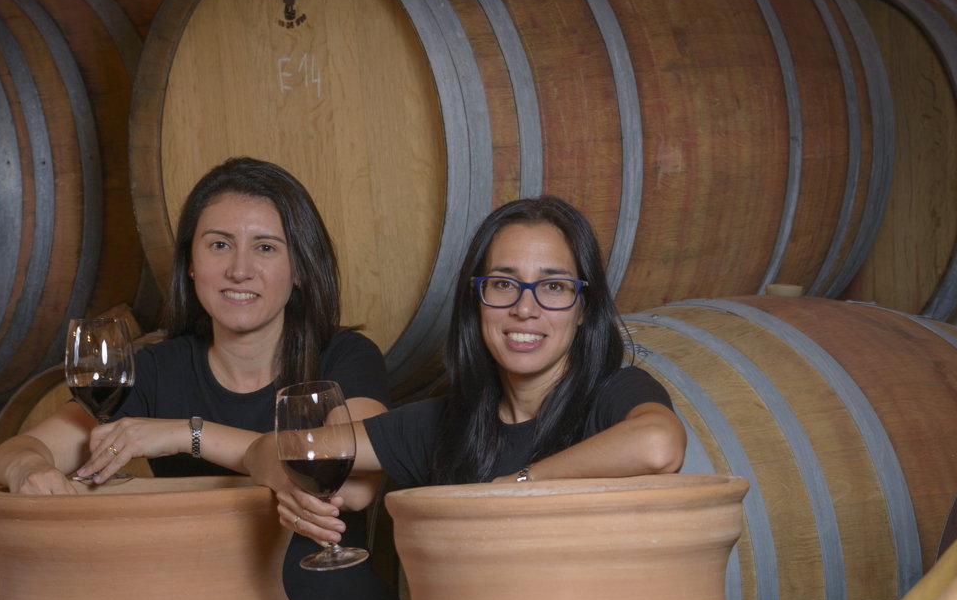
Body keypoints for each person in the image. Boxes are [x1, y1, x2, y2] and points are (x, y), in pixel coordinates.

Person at [0, 156, 408, 600]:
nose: (239, 270)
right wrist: (30, 469)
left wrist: (186, 434)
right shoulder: (156, 368)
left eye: (265, 247)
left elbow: (351, 486)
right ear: (190, 263)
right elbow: (18, 451)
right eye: (218, 245)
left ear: (299, 267)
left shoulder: (345, 357)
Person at [248, 195, 686, 543]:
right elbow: (278, 446)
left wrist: (518, 484)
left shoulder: (613, 394)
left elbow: (659, 443)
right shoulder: (442, 423)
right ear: (475, 301)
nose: (525, 308)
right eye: (503, 284)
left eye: (553, 287)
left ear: (584, 309)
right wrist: (286, 485)